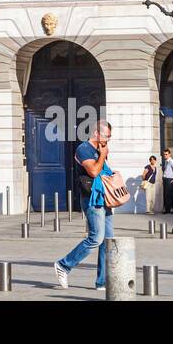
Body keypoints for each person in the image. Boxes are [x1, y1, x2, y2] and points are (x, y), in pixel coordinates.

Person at [55, 119, 117, 290]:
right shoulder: (83, 149)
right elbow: (94, 171)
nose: (108, 139)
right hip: (91, 199)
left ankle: (102, 281)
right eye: (106, 136)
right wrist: (103, 154)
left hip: (104, 198)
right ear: (96, 133)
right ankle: (64, 264)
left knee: (108, 240)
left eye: (110, 137)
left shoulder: (99, 149)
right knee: (96, 238)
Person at [161, 149, 173, 214]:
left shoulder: (171, 161)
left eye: (166, 154)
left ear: (169, 154)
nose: (165, 155)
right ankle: (168, 209)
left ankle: (171, 209)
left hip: (169, 179)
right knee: (166, 195)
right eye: (164, 154)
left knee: (169, 195)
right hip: (165, 179)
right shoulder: (166, 161)